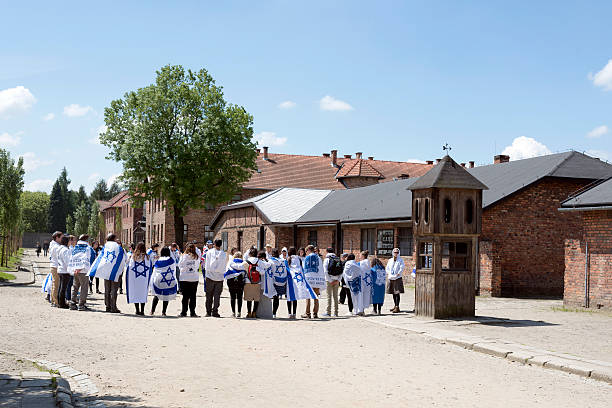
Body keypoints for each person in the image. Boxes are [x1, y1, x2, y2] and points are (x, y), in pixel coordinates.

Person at [88, 233, 126, 313]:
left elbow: (100, 258)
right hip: (114, 271)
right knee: (114, 290)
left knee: (107, 289)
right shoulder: (118, 248)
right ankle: (113, 307)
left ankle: (107, 306)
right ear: (114, 239)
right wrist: (121, 270)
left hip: (106, 271)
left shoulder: (105, 248)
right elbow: (123, 259)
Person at [68, 234, 96, 311]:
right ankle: (81, 304)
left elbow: (72, 258)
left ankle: (72, 303)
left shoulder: (76, 247)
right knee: (84, 288)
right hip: (83, 270)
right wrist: (80, 268)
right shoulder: (87, 248)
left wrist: (75, 268)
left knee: (75, 286)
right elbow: (86, 258)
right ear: (86, 240)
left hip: (75, 269)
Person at [126, 242, 153, 316]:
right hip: (143, 279)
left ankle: (137, 310)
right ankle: (142, 310)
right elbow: (150, 268)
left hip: (135, 279)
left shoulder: (133, 256)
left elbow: (130, 267)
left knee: (136, 293)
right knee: (143, 294)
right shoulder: (147, 257)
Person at [149, 247, 177, 316]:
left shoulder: (158, 261)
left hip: (159, 280)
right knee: (166, 296)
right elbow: (173, 270)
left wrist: (152, 281)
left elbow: (155, 271)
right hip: (168, 280)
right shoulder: (171, 260)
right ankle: (164, 312)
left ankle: (152, 311)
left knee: (156, 296)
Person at [203, 239, 227, 317]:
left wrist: (206, 274)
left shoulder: (209, 252)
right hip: (219, 277)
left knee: (209, 295)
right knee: (217, 296)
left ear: (214, 244)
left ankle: (208, 311)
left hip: (210, 276)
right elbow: (224, 266)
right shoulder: (224, 254)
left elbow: (207, 265)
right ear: (221, 245)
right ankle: (215, 311)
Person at [302, 245, 325, 318]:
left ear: (308, 250)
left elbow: (304, 269)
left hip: (309, 280)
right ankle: (315, 313)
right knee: (316, 297)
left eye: (306, 251)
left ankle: (307, 313)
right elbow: (321, 269)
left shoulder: (306, 258)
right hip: (317, 281)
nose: (306, 253)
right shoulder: (318, 258)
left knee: (308, 297)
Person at [177, 243, 200, 317]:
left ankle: (184, 312)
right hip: (194, 278)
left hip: (184, 278)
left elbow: (179, 265)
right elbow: (197, 266)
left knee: (185, 296)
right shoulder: (196, 257)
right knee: (193, 296)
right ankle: (192, 312)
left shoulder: (183, 256)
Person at [225, 251, 246, 317]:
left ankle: (233, 312)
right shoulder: (243, 263)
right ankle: (239, 312)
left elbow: (227, 270)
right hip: (240, 281)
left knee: (232, 297)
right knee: (240, 297)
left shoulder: (230, 262)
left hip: (231, 280)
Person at [323, 247, 343, 317]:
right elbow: (341, 271)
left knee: (329, 297)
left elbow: (325, 271)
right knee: (335, 297)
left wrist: (330, 280)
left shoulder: (327, 260)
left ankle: (328, 312)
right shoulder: (338, 259)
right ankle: (336, 313)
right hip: (337, 280)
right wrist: (338, 280)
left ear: (327, 252)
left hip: (329, 280)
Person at [268, 248, 288, 319]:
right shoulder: (283, 261)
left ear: (272, 254)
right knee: (276, 298)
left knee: (270, 297)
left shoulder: (270, 261)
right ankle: (274, 313)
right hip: (281, 281)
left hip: (273, 281)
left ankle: (269, 313)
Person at [244, 248, 262, 318]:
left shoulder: (246, 261)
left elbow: (239, 267)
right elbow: (263, 271)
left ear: (250, 254)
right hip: (257, 282)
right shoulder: (259, 261)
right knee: (256, 299)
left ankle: (249, 313)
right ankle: (254, 313)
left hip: (248, 281)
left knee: (249, 298)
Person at [386, 248, 405, 313]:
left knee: (397, 292)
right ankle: (395, 305)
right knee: (393, 292)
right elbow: (387, 268)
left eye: (397, 252)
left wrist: (398, 273)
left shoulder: (400, 260)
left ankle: (397, 306)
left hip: (397, 278)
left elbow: (402, 267)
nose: (395, 254)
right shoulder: (390, 260)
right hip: (391, 277)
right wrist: (389, 273)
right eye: (394, 252)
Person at [56, 236, 72, 309]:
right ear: (66, 242)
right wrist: (70, 270)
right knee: (63, 288)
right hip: (65, 271)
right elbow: (67, 261)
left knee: (60, 287)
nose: (70, 242)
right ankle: (62, 304)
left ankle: (59, 302)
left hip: (60, 269)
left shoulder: (59, 248)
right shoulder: (65, 250)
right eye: (69, 241)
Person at [48, 231, 63, 307]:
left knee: (54, 284)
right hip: (55, 266)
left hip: (54, 266)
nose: (62, 239)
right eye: (61, 237)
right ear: (57, 237)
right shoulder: (56, 247)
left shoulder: (53, 245)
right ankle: (55, 301)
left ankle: (53, 300)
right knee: (56, 284)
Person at [359, 250, 372, 315]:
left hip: (362, 280)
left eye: (360, 255)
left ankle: (361, 310)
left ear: (363, 256)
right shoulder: (368, 262)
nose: (359, 256)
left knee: (361, 295)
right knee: (365, 295)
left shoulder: (362, 263)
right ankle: (362, 310)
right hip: (367, 281)